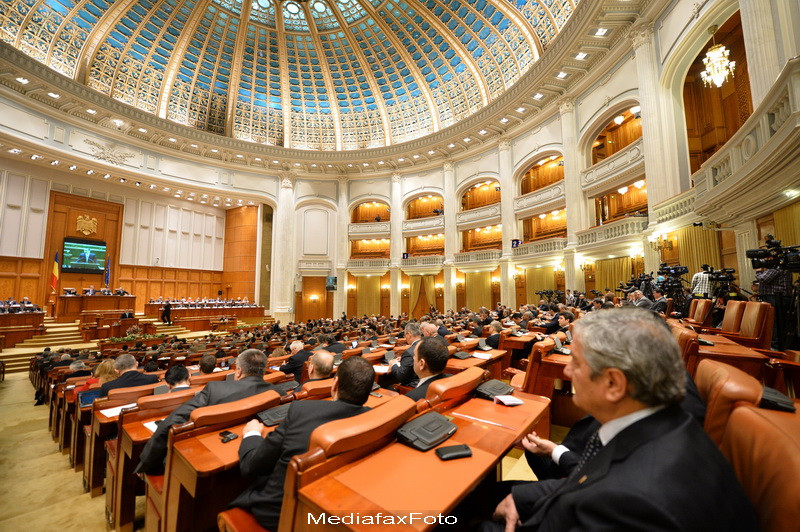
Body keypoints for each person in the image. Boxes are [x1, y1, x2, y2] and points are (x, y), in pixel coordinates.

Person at [483, 307, 757, 531]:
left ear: (614, 383)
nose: (567, 370)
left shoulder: (629, 503)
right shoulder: (656, 420)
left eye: (577, 362)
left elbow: (605, 490)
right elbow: (594, 475)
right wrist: (526, 496)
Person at [229, 356, 375, 530]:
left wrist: (252, 433)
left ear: (334, 384)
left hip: (280, 514)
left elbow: (251, 466)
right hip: (328, 507)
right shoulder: (373, 419)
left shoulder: (301, 411)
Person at [135, 349, 276, 474]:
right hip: (253, 457)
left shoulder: (216, 389)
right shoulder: (276, 392)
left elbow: (173, 421)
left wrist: (147, 463)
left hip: (209, 458)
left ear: (238, 371)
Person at [755, 247, 793, 350]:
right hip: (775, 297)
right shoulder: (777, 265)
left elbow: (763, 279)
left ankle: (776, 347)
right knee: (773, 322)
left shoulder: (777, 266)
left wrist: (758, 271)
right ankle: (774, 345)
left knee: (774, 322)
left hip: (777, 298)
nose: (766, 260)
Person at [405, 336, 449, 401]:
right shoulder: (454, 380)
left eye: (414, 355)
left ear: (422, 364)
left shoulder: (412, 398)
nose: (413, 358)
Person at [390, 322, 422, 387]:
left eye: (405, 335)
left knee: (389, 386)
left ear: (409, 334)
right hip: (423, 382)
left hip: (412, 386)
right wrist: (404, 359)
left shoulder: (409, 352)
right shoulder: (426, 343)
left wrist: (393, 364)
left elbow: (400, 376)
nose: (405, 337)